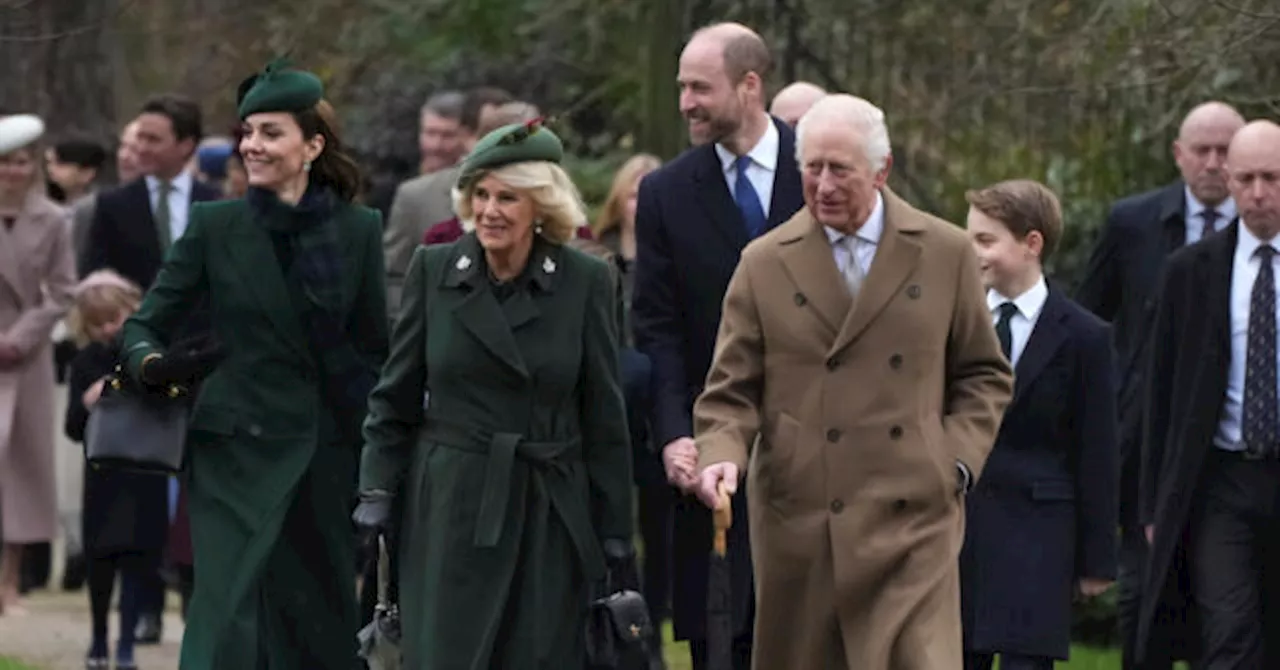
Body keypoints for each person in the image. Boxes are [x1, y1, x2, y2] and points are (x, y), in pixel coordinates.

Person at [692, 94, 1013, 668]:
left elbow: (982, 373)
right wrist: (722, 452)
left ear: (881, 171)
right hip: (804, 517)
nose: (823, 185)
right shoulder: (764, 262)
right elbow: (731, 388)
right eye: (811, 168)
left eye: (840, 169)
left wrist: (954, 461)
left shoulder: (944, 252)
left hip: (913, 514)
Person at [118, 60, 389, 669]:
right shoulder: (216, 226)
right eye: (247, 132)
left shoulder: (359, 231)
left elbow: (375, 352)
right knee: (229, 609)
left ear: (312, 145)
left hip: (323, 449)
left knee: (314, 614)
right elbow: (144, 324)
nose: (251, 146)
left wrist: (381, 450)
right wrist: (154, 363)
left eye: (270, 132)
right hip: (233, 449)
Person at [353, 119, 634, 668]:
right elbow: (395, 395)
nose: (489, 210)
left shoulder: (586, 281)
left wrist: (617, 528)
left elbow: (604, 415)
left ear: (541, 207)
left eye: (508, 197)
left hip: (548, 507)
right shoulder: (434, 270)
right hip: (451, 503)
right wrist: (376, 488)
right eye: (479, 194)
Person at [631, 22, 804, 670]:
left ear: (750, 85)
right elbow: (658, 328)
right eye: (680, 87)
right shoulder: (666, 192)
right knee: (717, 635)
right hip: (711, 456)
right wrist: (676, 433)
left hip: (812, 451)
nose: (685, 103)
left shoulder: (817, 172)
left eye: (699, 87)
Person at [1074, 100, 1245, 670]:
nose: (1216, 164)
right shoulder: (1134, 224)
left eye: (1228, 151)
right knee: (1145, 595)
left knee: (1224, 601)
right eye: (1204, 150)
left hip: (1231, 446)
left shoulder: (1260, 239)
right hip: (1146, 439)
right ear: (1179, 155)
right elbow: (1087, 321)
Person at [960, 180, 1119, 670]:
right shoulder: (956, 323)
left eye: (986, 241)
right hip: (960, 530)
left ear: (1032, 244)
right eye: (969, 240)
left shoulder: (1085, 337)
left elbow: (1097, 448)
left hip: (1039, 534)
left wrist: (1096, 561)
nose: (972, 252)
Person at [1139, 120, 1280, 669]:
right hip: (1222, 479)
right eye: (1245, 179)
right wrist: (1153, 502)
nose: (1258, 193)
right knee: (1228, 633)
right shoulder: (1191, 272)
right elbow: (1161, 393)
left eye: (1271, 177)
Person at [63, 270, 165, 670]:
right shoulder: (85, 361)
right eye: (98, 322)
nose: (108, 328)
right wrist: (89, 399)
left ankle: (126, 643)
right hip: (102, 474)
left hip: (144, 473)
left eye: (115, 318)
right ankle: (99, 638)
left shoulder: (148, 355)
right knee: (100, 562)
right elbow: (72, 427)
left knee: (140, 562)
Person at [0, 113, 77, 615]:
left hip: (25, 359)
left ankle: (9, 583)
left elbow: (63, 288)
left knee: (24, 472)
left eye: (22, 162)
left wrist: (21, 337)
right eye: (4, 162)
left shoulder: (53, 218)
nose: (13, 171)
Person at [382, 87, 511, 316]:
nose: (436, 145)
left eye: (445, 135)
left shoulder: (544, 197)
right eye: (429, 133)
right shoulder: (414, 195)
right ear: (468, 135)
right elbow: (393, 277)